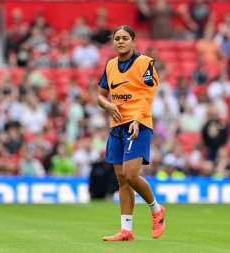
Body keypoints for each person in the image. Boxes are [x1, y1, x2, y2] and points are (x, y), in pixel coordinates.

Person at [97, 26, 165, 241]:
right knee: (121, 180)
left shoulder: (144, 62)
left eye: (125, 38)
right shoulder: (109, 65)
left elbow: (148, 95)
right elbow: (100, 96)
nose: (120, 41)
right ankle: (126, 230)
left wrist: (136, 119)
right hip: (116, 126)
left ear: (133, 41)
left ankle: (156, 210)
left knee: (131, 174)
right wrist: (108, 106)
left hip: (139, 124)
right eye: (116, 38)